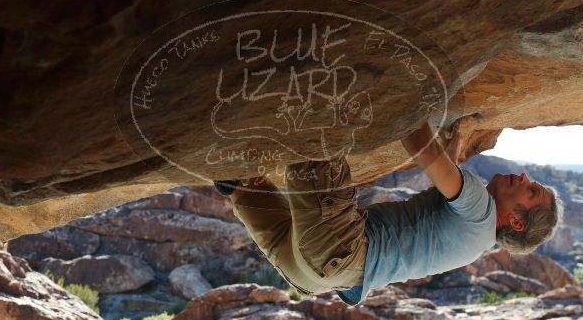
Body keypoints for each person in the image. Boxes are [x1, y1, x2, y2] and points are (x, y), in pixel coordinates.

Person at [215, 122, 562, 305]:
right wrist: (456, 137)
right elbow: (448, 177)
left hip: (340, 250)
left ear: (516, 221)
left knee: (316, 129)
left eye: (531, 191)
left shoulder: (479, 208)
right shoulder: (479, 239)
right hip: (315, 277)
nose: (525, 178)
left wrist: (405, 98)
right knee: (241, 184)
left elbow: (419, 146)